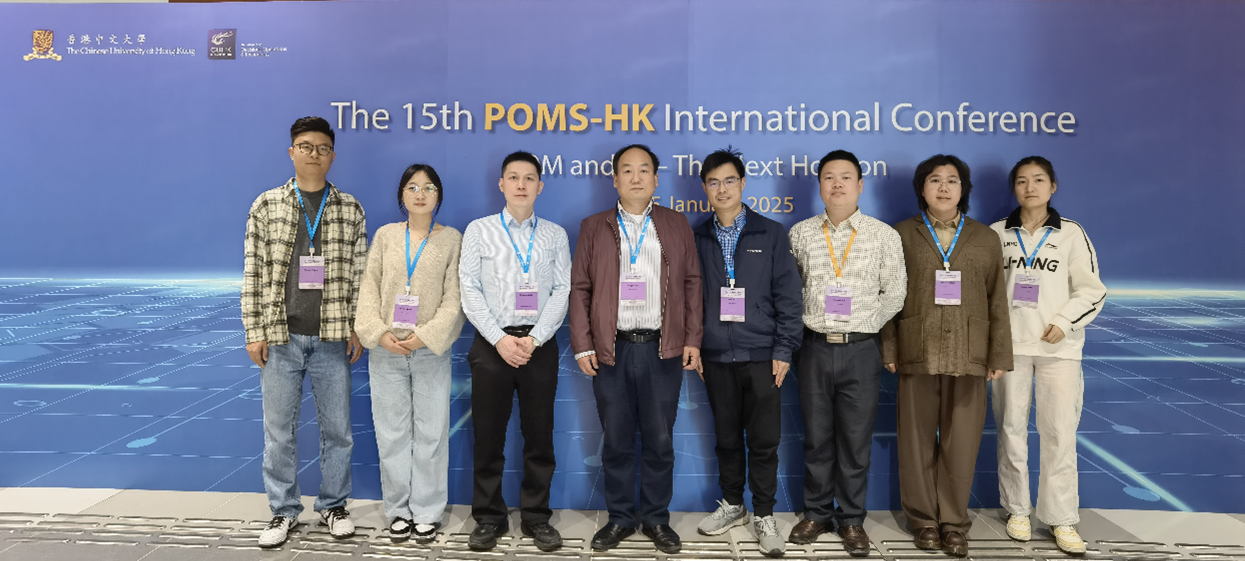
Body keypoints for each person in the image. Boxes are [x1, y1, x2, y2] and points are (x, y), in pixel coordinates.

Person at [570, 144, 703, 555]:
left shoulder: (675, 223)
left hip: (662, 348)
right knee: (616, 439)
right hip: (612, 349)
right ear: (615, 179)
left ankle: (657, 519)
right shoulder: (594, 226)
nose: (636, 177)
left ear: (656, 179)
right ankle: (621, 518)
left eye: (644, 170)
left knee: (660, 440)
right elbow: (580, 288)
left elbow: (692, 283)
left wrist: (692, 338)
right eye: (627, 170)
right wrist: (582, 345)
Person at [243, 116, 367, 548]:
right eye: (306, 146)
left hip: (332, 337)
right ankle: (283, 510)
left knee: (338, 432)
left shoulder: (349, 208)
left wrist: (357, 327)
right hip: (281, 338)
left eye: (322, 148)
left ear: (332, 155)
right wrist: (253, 330)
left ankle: (334, 505)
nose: (314, 154)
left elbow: (360, 275)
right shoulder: (266, 205)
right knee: (279, 432)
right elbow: (253, 272)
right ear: (292, 152)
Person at [880, 154, 1012, 558]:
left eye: (952, 180)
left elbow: (997, 300)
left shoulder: (985, 237)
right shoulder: (902, 234)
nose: (943, 187)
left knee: (962, 445)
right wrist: (890, 346)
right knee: (915, 442)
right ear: (921, 188)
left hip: (970, 353)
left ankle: (954, 523)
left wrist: (998, 354)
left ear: (963, 189)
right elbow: (889, 295)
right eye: (934, 180)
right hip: (916, 350)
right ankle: (923, 521)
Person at [786, 150, 907, 556]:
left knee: (855, 441)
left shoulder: (883, 235)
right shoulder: (800, 234)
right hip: (814, 348)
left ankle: (852, 519)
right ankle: (817, 513)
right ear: (819, 184)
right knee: (817, 438)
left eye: (845, 177)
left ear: (860, 184)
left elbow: (896, 293)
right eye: (829, 177)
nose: (837, 184)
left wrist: (865, 321)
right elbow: (791, 291)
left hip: (861, 349)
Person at [691, 148, 804, 558]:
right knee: (725, 438)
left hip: (762, 355)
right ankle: (733, 504)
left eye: (729, 181)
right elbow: (689, 298)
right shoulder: (697, 236)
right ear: (705, 188)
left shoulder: (770, 233)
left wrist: (784, 349)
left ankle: (764, 513)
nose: (722, 189)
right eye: (713, 182)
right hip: (716, 355)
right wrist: (695, 342)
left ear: (742, 183)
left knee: (763, 440)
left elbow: (788, 296)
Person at [990, 156, 1105, 555]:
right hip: (1011, 349)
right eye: (1022, 181)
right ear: (1014, 188)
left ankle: (1061, 517)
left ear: (1053, 186)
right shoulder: (996, 233)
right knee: (1011, 430)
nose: (1030, 187)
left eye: (1038, 180)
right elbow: (985, 292)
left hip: (1059, 349)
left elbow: (1092, 291)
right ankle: (1017, 510)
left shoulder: (1071, 233)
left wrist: (1064, 322)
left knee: (1059, 432)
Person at [458, 151, 572, 553]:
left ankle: (537, 517)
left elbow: (562, 290)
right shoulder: (479, 230)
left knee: (539, 438)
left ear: (540, 186)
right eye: (513, 177)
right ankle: (489, 517)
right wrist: (499, 339)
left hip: (538, 346)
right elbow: (469, 289)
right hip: (492, 346)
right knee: (488, 437)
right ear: (501, 184)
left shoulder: (555, 235)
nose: (521, 184)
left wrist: (535, 339)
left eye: (529, 178)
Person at [354, 164, 464, 544]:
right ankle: (398, 510)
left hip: (430, 352)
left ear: (439, 195)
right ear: (402, 194)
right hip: (386, 352)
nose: (420, 194)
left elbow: (454, 299)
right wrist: (378, 333)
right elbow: (368, 288)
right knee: (392, 434)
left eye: (429, 187)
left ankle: (428, 511)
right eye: (413, 187)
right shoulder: (386, 236)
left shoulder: (451, 239)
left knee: (432, 433)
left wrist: (425, 336)